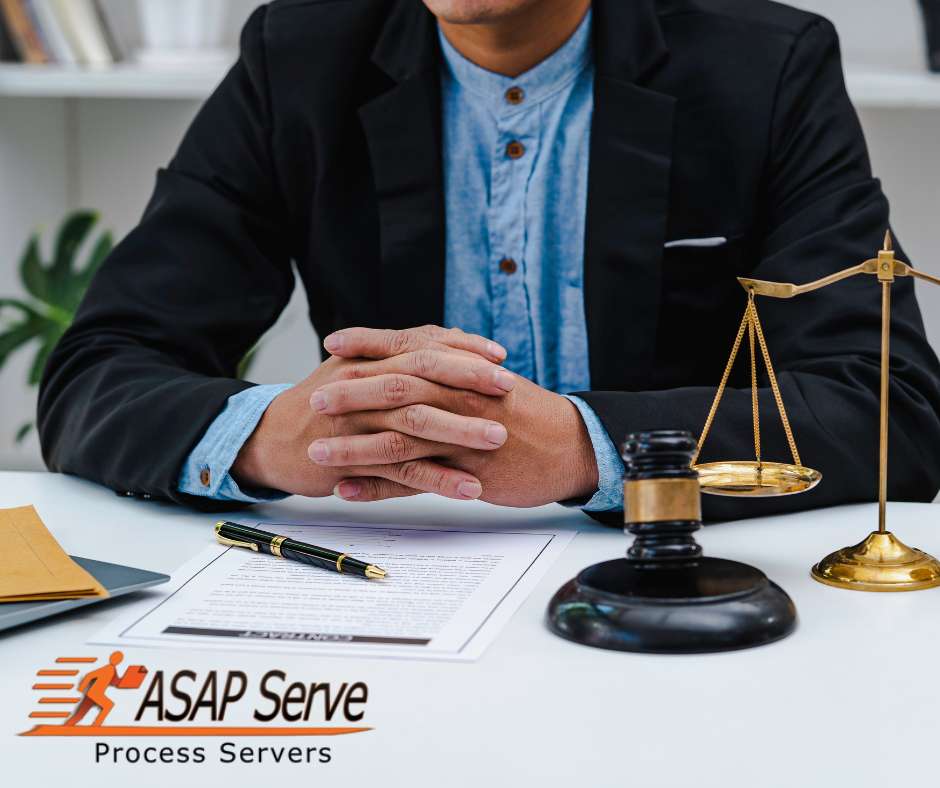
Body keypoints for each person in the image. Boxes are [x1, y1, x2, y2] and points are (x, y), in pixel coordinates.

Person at [37, 0, 940, 524]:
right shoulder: (299, 57)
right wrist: (274, 437)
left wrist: (591, 449)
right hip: (387, 575)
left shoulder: (765, 66)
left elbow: (889, 407)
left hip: (663, 585)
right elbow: (97, 374)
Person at [64, 651, 125, 727]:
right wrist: (81, 687)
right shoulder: (107, 668)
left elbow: (115, 682)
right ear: (111, 658)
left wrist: (129, 680)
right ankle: (96, 724)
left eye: (118, 659)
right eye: (115, 658)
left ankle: (66, 726)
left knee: (80, 715)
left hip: (92, 695)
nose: (116, 660)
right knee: (109, 705)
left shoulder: (113, 670)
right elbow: (89, 675)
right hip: (95, 694)